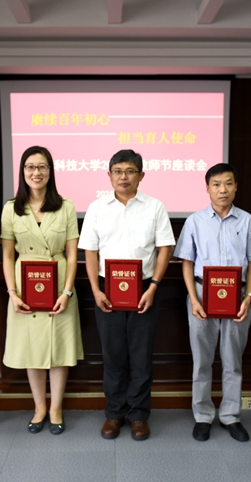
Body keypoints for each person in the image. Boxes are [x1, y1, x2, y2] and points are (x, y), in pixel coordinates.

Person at [79, 149, 175, 441]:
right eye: (118, 171)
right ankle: (114, 413)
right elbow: (90, 252)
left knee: (141, 356)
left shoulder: (155, 207)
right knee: (114, 356)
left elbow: (165, 248)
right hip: (107, 290)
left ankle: (139, 415)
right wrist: (95, 290)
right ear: (109, 175)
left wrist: (153, 286)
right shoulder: (97, 208)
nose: (124, 177)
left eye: (130, 171)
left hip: (145, 289)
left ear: (141, 175)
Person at [173, 163, 251, 442]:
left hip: (237, 297)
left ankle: (230, 416)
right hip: (202, 295)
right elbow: (187, 263)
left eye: (228, 183)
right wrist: (193, 299)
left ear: (236, 187)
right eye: (216, 184)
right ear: (207, 188)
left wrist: (248, 298)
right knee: (202, 361)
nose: (222, 189)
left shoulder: (248, 221)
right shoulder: (195, 221)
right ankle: (203, 415)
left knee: (232, 360)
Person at [1, 146, 84, 435]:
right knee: (31, 348)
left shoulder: (66, 206)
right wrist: (12, 292)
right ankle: (39, 407)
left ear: (50, 171)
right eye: (30, 167)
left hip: (59, 285)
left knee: (59, 347)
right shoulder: (11, 208)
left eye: (42, 167)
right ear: (22, 171)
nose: (36, 172)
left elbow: (72, 255)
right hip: (24, 286)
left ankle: (56, 407)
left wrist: (67, 292)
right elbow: (8, 255)